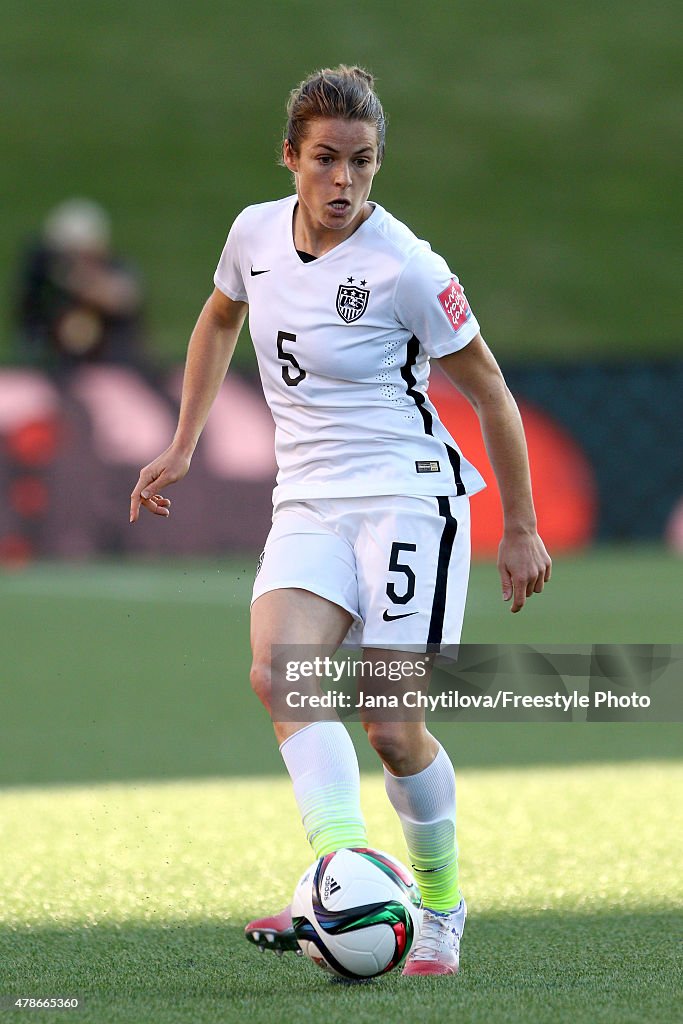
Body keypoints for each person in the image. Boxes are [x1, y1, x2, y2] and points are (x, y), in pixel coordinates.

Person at [130, 66, 551, 977]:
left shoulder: (406, 265)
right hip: (309, 498)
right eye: (325, 160)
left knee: (391, 728)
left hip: (408, 496)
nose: (343, 182)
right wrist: (182, 442)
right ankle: (341, 872)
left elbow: (491, 393)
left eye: (361, 163)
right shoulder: (252, 234)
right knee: (281, 675)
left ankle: (439, 900)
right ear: (289, 157)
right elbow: (216, 321)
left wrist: (518, 526)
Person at [15, 198, 145, 372]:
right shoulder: (47, 282)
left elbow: (121, 299)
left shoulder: (116, 271)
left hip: (114, 364)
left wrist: (82, 282)